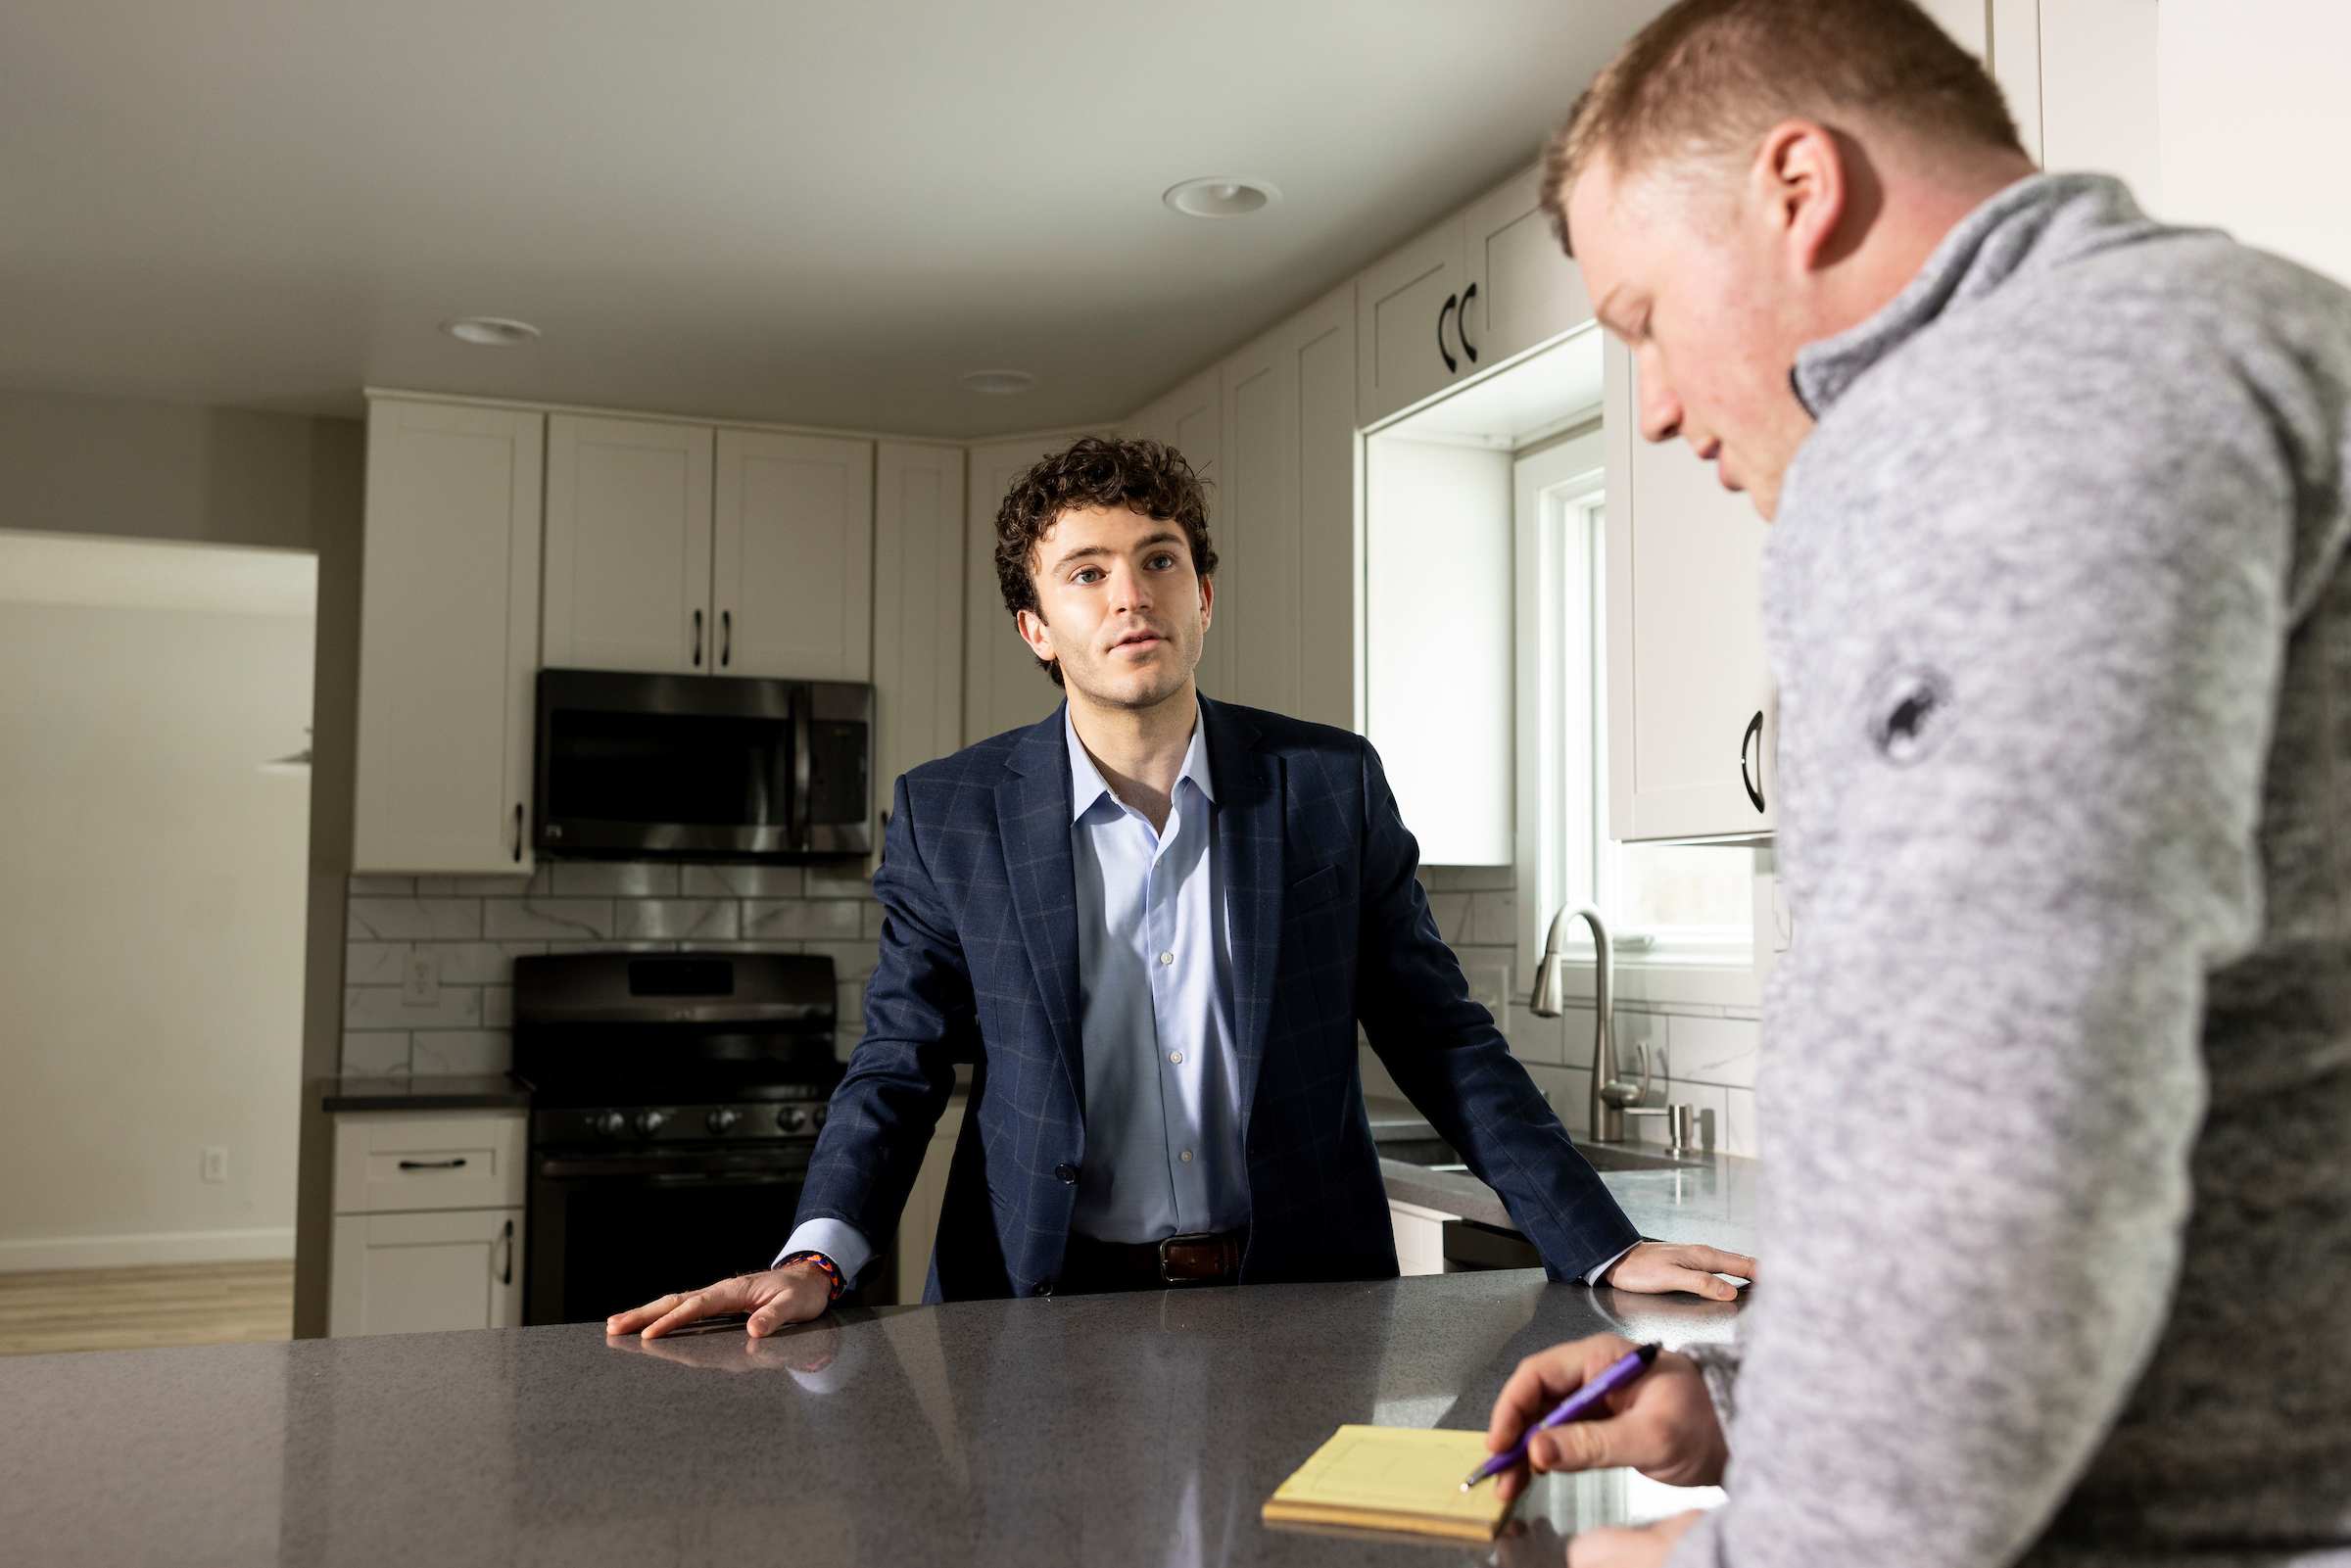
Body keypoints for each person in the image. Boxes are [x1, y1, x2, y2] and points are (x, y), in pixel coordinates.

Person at [1477, 1, 2351, 1565]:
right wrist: (1746, 1399)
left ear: (1797, 188)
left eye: (1647, 319)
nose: (1661, 406)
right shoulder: (2264, 329)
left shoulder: (1993, 409)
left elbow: (2002, 1141)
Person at [608, 436, 1753, 1337]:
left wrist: (1601, 1243)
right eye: (1087, 573)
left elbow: (1444, 1036)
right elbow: (900, 1064)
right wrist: (817, 1255)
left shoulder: (1327, 786)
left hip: (1303, 1298)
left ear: (1205, 593)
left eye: (1159, 559)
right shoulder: (950, 813)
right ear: (1036, 626)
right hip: (1039, 1306)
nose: (1130, 596)